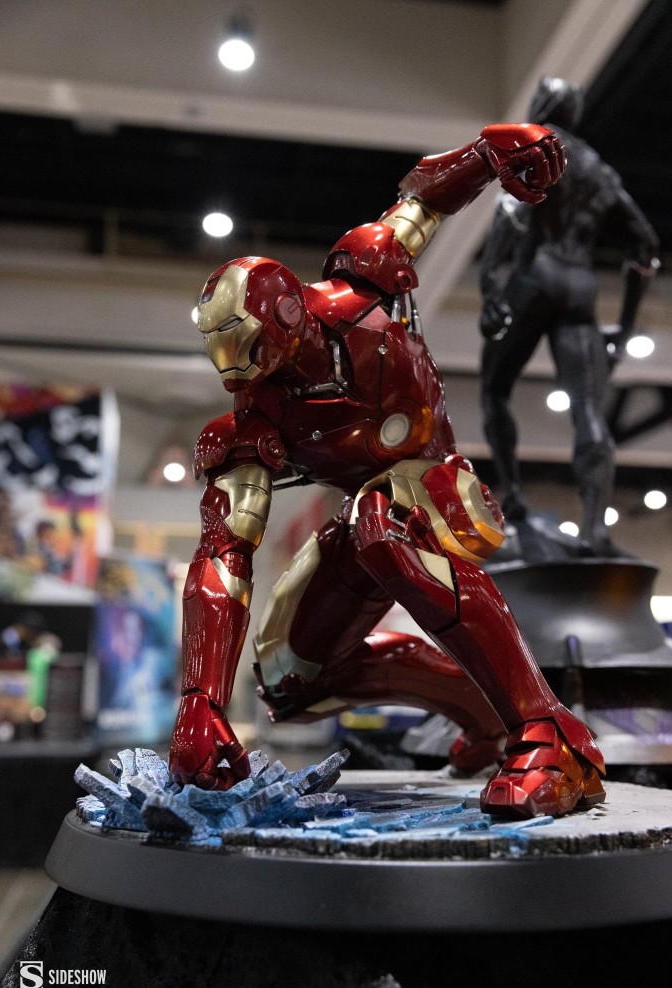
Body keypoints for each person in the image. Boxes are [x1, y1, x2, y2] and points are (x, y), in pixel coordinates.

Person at [169, 122, 605, 818]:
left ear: (287, 318)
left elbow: (421, 202)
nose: (235, 372)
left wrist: (487, 155)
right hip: (369, 516)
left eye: (244, 348)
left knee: (381, 521)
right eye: (219, 352)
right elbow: (224, 556)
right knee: (290, 678)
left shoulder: (361, 286)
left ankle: (550, 732)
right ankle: (482, 717)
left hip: (439, 487)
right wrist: (201, 700)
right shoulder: (255, 419)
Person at [479, 77, 659, 553]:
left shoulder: (539, 146)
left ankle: (514, 497)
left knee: (495, 389)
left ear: (542, 103)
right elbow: (645, 245)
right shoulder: (601, 171)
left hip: (535, 275)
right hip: (580, 284)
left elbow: (511, 212)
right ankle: (595, 528)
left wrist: (489, 285)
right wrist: (625, 324)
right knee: (588, 409)